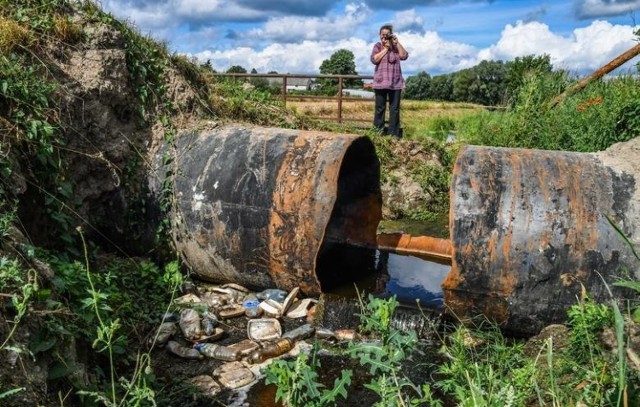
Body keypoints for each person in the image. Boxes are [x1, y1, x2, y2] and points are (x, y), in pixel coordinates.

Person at [370, 24, 408, 138]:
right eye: (382, 35)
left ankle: (394, 134)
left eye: (387, 35)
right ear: (379, 35)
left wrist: (397, 42)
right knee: (380, 108)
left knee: (394, 109)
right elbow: (374, 59)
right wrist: (386, 48)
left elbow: (404, 56)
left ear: (391, 35)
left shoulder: (396, 47)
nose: (384, 37)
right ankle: (377, 133)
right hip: (381, 82)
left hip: (395, 83)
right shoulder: (377, 46)